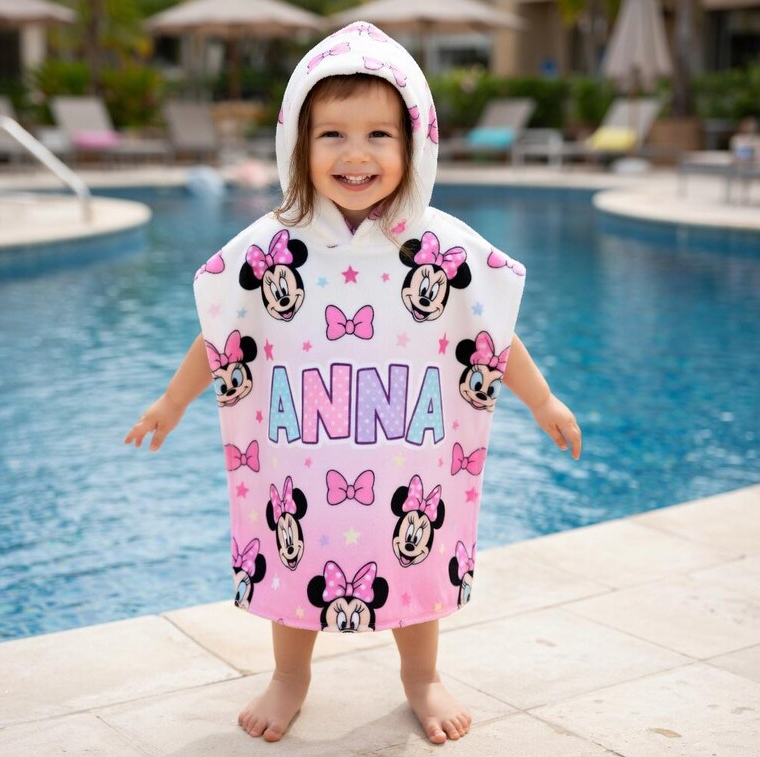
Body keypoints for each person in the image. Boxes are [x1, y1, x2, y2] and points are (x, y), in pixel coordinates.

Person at [126, 21, 581, 746]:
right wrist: (173, 400)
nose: (355, 153)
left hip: (409, 451)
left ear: (415, 144)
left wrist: (542, 396)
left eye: (379, 134)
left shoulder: (435, 244)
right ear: (298, 145)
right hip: (301, 453)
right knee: (294, 547)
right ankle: (290, 675)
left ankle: (421, 676)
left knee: (416, 548)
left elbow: (488, 331)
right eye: (331, 134)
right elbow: (224, 330)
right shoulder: (277, 242)